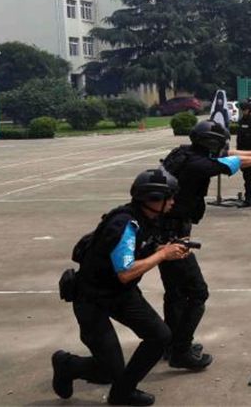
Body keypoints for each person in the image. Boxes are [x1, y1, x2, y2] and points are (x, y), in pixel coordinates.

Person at [51, 169, 189, 406]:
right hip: (92, 297)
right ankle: (67, 365)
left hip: (119, 293)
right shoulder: (125, 224)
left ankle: (122, 393)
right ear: (153, 198)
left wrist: (159, 250)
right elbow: (126, 273)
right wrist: (163, 255)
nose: (173, 202)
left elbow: (132, 257)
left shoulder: (145, 218)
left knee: (160, 336)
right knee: (108, 371)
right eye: (170, 197)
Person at [158, 120, 251, 370]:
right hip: (173, 234)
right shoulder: (198, 163)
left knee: (175, 293)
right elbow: (229, 164)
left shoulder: (185, 152)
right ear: (210, 143)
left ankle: (171, 344)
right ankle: (181, 351)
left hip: (166, 228)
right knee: (196, 292)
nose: (224, 146)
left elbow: (228, 155)